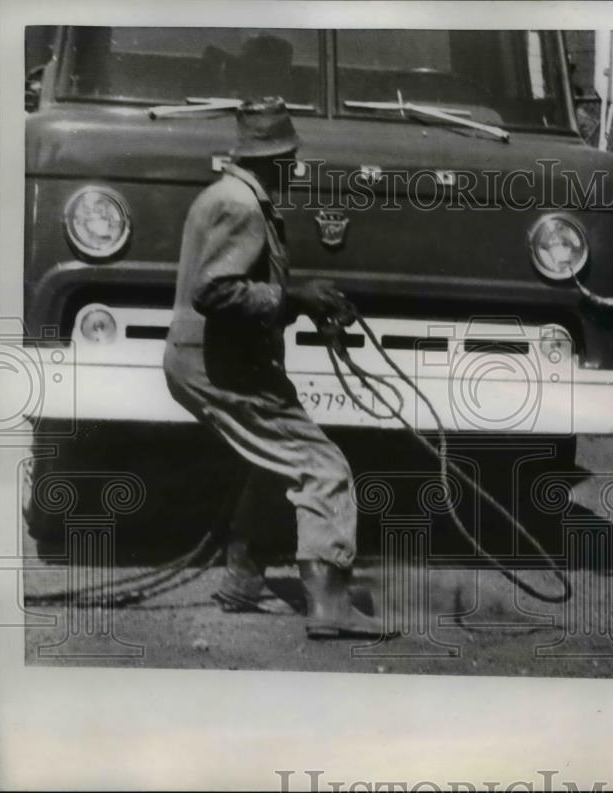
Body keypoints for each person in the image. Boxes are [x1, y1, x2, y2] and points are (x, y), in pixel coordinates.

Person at [163, 97, 386, 639]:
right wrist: (295, 298)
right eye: (291, 158)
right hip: (219, 367)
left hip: (215, 360)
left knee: (268, 459)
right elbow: (215, 291)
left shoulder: (232, 196)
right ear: (275, 158)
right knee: (321, 464)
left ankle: (242, 579)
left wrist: (303, 303)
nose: (296, 168)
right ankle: (330, 607)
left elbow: (237, 288)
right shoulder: (240, 204)